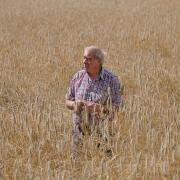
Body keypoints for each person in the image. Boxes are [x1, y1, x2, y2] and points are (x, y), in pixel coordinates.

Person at [65, 45, 122, 158]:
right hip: (78, 130)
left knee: (104, 164)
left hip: (103, 132)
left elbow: (118, 108)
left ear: (99, 61)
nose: (84, 62)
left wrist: (99, 109)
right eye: (84, 58)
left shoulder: (112, 80)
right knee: (77, 163)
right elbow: (67, 100)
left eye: (89, 59)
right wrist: (74, 105)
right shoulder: (78, 77)